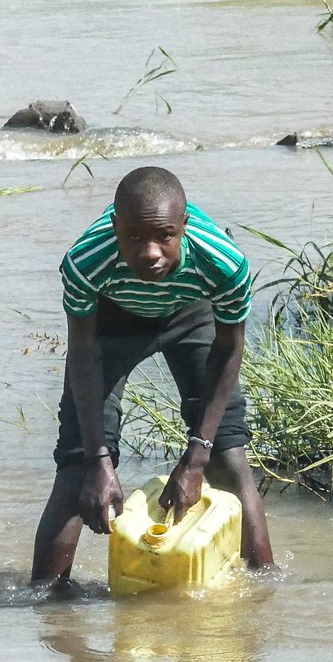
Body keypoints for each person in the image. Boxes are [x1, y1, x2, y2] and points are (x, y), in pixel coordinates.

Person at [31, 166, 274, 583]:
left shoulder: (224, 262)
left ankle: (265, 588)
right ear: (114, 227)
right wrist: (97, 459)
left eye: (164, 236)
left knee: (227, 458)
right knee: (76, 472)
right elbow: (84, 352)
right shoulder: (85, 262)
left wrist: (196, 457)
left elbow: (228, 348)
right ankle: (48, 609)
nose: (150, 253)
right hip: (114, 318)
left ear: (185, 225)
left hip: (191, 312)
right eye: (133, 237)